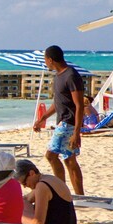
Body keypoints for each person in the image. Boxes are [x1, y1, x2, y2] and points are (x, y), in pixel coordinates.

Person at [33, 45, 85, 195]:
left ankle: (62, 191)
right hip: (63, 123)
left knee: (51, 155)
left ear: (50, 60)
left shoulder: (71, 76)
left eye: (45, 60)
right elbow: (58, 103)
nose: (45, 63)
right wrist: (42, 118)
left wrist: (77, 132)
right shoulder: (58, 76)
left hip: (68, 124)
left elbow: (79, 105)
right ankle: (77, 195)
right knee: (69, 160)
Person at [15, 159, 76, 224]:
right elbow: (27, 198)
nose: (25, 186)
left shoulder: (42, 186)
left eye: (24, 183)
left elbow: (39, 221)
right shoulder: (49, 179)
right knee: (22, 202)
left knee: (19, 207)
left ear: (31, 173)